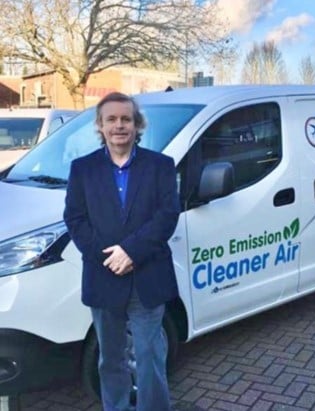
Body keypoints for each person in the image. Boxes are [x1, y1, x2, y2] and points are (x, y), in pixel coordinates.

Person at [63, 92, 180, 411]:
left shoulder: (161, 166)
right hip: (104, 278)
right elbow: (75, 219)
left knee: (149, 356)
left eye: (126, 119)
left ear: (136, 124)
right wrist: (110, 258)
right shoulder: (82, 170)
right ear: (100, 126)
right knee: (110, 359)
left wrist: (130, 252)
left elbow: (168, 215)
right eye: (111, 119)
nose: (119, 125)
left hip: (148, 278)